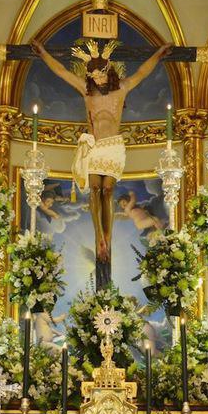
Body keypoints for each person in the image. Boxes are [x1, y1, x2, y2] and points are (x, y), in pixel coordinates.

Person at [32, 37, 170, 288]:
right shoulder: (86, 92)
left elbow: (142, 72)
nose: (97, 78)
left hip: (114, 147)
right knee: (95, 190)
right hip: (94, 147)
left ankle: (107, 235)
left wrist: (159, 55)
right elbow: (62, 71)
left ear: (109, 70)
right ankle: (100, 238)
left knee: (108, 190)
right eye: (93, 75)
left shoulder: (122, 89)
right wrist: (42, 53)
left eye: (101, 73)